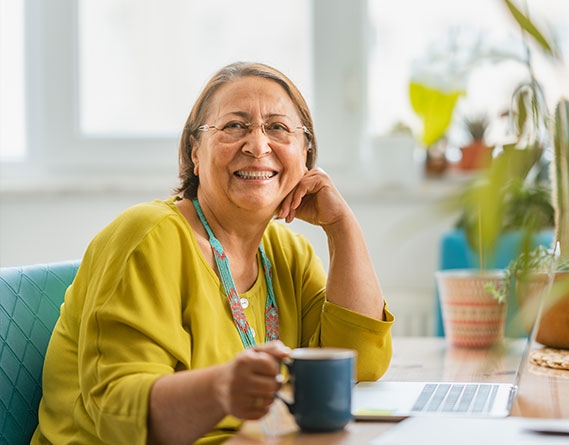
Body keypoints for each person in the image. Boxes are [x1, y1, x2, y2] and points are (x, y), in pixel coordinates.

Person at [32, 61, 394, 445]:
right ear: (195, 153)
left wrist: (342, 226)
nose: (257, 145)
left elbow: (358, 363)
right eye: (234, 126)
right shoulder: (148, 236)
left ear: (305, 155)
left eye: (278, 128)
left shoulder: (287, 253)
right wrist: (222, 389)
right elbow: (118, 416)